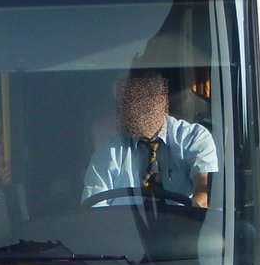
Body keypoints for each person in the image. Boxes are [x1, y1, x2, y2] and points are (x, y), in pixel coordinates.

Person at [82, 69, 217, 208]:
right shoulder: (109, 150)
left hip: (184, 226)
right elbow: (93, 207)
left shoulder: (194, 137)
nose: (132, 109)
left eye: (140, 99)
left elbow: (203, 190)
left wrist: (193, 212)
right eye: (126, 102)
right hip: (123, 228)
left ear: (161, 99)